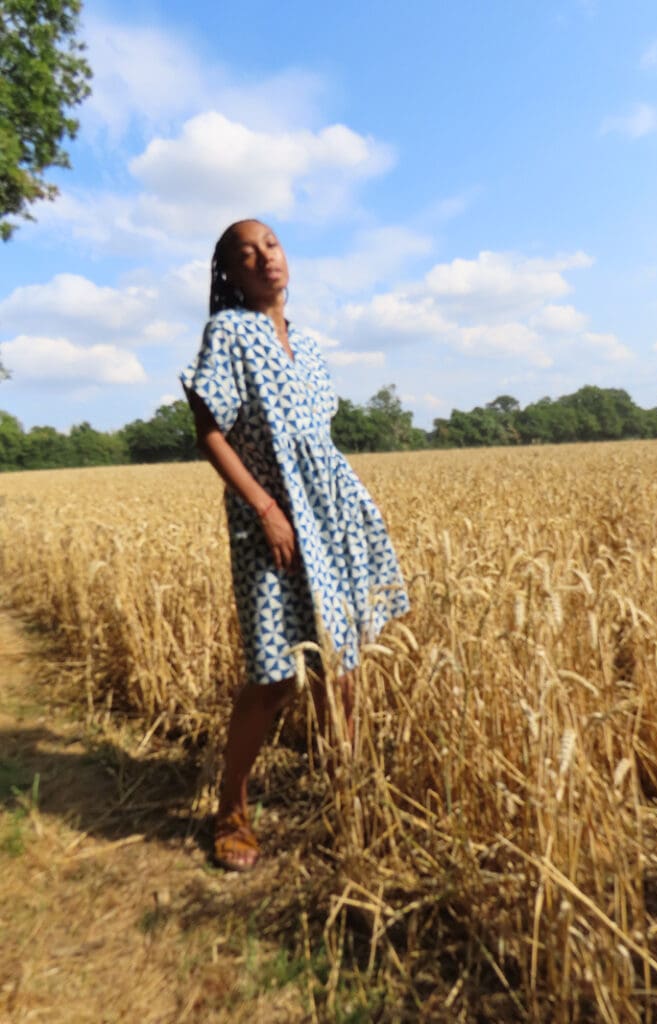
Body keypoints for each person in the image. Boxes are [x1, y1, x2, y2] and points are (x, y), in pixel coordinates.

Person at [180, 219, 409, 871]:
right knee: (275, 674)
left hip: (329, 513)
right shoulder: (227, 331)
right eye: (246, 253)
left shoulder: (307, 345)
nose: (264, 259)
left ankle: (352, 800)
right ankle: (231, 808)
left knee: (340, 664)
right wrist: (265, 507)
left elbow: (318, 444)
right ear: (230, 272)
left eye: (272, 245)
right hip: (268, 522)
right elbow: (210, 432)